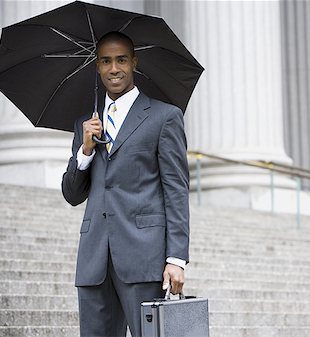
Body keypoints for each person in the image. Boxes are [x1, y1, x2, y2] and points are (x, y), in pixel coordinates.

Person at [61, 31, 190, 337]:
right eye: (106, 61)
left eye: (121, 60)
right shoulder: (87, 125)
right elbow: (71, 194)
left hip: (144, 258)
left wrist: (176, 258)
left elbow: (176, 190)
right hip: (94, 260)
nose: (113, 68)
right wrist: (86, 151)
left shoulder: (164, 117)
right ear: (97, 66)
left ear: (134, 62)